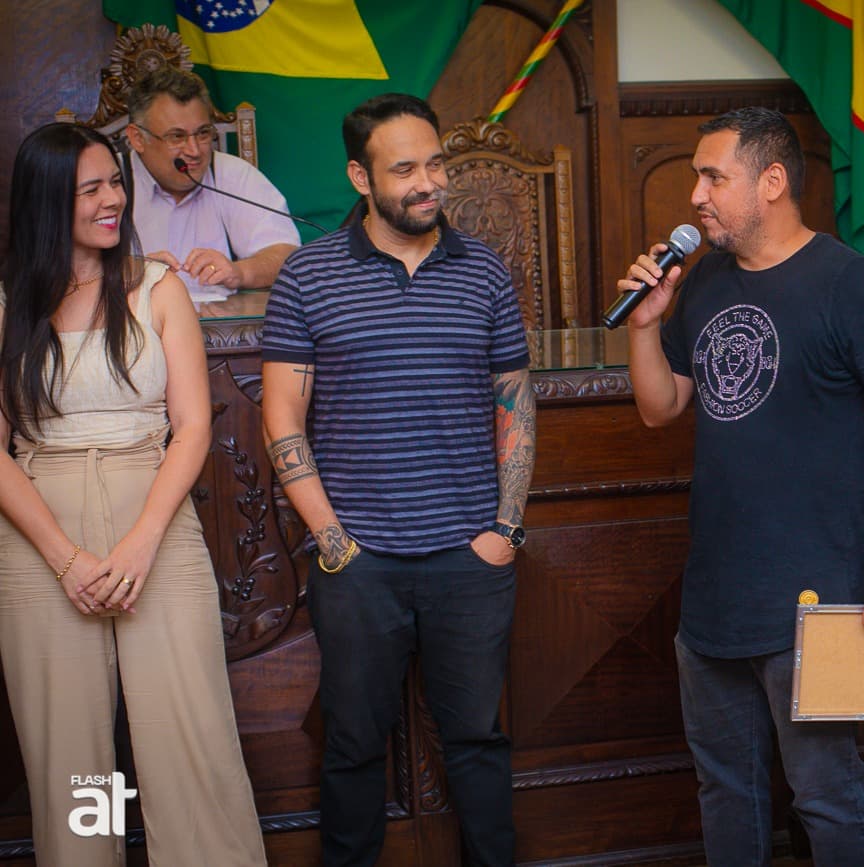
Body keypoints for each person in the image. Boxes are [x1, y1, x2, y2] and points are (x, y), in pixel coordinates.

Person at [622, 106, 864, 866]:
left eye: (713, 177)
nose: (696, 195)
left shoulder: (847, 283)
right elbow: (661, 407)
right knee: (725, 787)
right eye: (697, 177)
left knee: (824, 791)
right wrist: (643, 325)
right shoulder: (704, 280)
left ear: (771, 181)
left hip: (813, 596)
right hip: (713, 593)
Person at [260, 93, 535, 867]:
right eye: (405, 168)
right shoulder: (308, 275)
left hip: (470, 555)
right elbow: (281, 416)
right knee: (352, 745)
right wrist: (333, 541)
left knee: (478, 739)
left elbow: (514, 401)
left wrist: (505, 529)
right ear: (360, 176)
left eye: (436, 163)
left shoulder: (483, 271)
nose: (428, 183)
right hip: (358, 561)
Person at [0, 123, 265, 865]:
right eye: (91, 189)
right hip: (40, 529)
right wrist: (65, 559)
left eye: (115, 182)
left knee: (190, 737)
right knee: (72, 762)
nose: (113, 199)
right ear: (48, 202)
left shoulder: (158, 287)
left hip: (154, 513)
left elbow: (192, 426)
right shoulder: (10, 304)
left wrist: (144, 541)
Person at [124, 66, 299, 302]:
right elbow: (74, 267)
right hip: (132, 321)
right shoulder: (109, 182)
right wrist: (127, 272)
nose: (194, 151)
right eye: (177, 137)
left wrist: (240, 272)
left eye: (203, 133)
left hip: (222, 322)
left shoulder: (233, 175)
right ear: (137, 138)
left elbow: (287, 256)